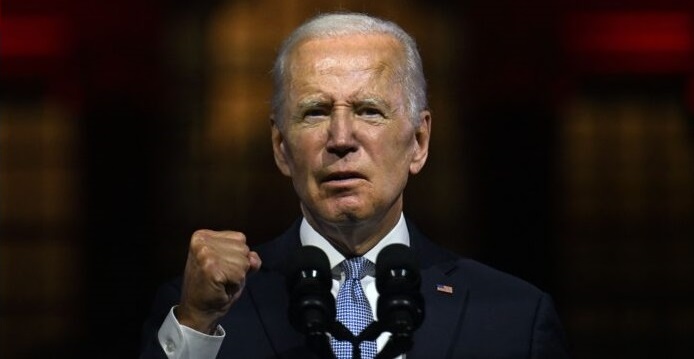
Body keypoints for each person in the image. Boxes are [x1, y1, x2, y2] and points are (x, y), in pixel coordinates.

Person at [140, 12, 570, 359]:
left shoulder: (514, 315)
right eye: (314, 112)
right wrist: (196, 325)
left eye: (368, 110)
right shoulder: (200, 308)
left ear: (418, 143)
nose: (341, 138)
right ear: (281, 148)